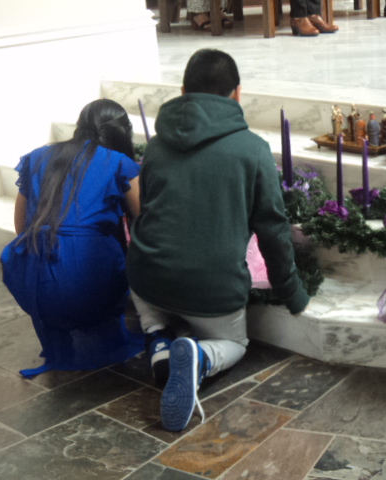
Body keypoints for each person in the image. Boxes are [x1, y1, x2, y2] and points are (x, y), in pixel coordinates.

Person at [126, 49, 310, 432]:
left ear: (182, 90)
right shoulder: (253, 150)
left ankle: (159, 340)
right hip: (211, 292)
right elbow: (273, 230)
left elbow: (147, 210)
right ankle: (201, 358)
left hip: (147, 278)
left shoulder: (157, 146)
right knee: (235, 344)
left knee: (150, 308)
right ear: (237, 94)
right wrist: (291, 292)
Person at [1, 99, 144, 379]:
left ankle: (63, 326)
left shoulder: (37, 157)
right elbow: (144, 222)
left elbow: (21, 226)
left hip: (37, 285)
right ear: (122, 132)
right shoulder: (119, 163)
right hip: (90, 283)